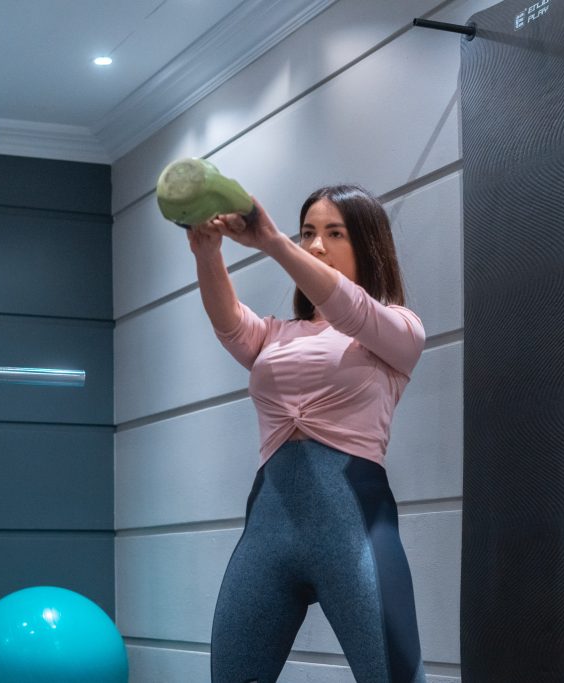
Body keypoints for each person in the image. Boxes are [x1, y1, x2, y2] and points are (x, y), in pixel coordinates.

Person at [187, 184, 427, 683]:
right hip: (269, 529)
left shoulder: (397, 329)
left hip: (353, 528)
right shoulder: (278, 335)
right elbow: (230, 325)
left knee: (394, 676)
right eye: (308, 233)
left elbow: (352, 310)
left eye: (334, 234)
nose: (316, 245)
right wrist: (206, 251)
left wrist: (275, 242)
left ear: (367, 244)